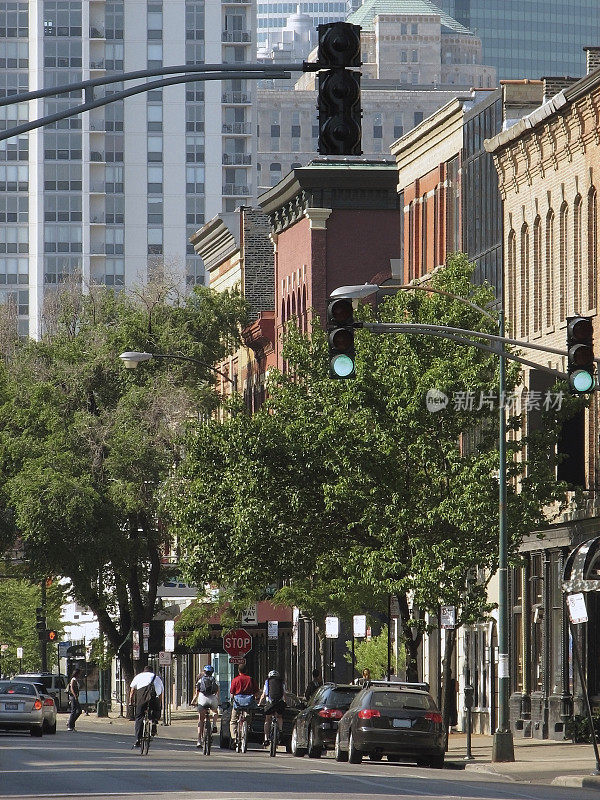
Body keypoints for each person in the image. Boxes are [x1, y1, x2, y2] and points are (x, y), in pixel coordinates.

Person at [129, 666, 164, 748]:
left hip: (142, 697)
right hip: (153, 696)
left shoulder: (138, 677)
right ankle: (154, 722)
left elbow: (132, 691)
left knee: (139, 717)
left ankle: (138, 739)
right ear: (152, 671)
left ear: (144, 671)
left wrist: (131, 701)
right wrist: (159, 703)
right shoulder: (157, 677)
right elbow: (161, 692)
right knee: (156, 710)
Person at [229, 663, 259, 744]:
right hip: (248, 702)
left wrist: (232, 699)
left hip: (238, 702)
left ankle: (234, 737)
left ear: (238, 671)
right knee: (249, 716)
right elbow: (256, 692)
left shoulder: (235, 680)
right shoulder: (250, 679)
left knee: (233, 720)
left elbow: (232, 693)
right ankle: (246, 727)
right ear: (246, 671)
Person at [191, 664, 220, 747]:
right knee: (215, 712)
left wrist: (193, 701)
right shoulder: (215, 680)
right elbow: (218, 693)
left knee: (201, 719)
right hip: (212, 699)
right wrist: (218, 702)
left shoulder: (200, 681)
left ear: (204, 672)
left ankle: (199, 740)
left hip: (203, 700)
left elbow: (196, 693)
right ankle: (214, 724)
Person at [259, 669, 286, 747]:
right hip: (279, 703)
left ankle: (266, 738)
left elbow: (264, 694)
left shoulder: (267, 682)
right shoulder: (281, 682)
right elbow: (284, 694)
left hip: (270, 703)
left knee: (267, 719)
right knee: (279, 716)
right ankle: (280, 730)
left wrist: (260, 703)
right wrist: (285, 702)